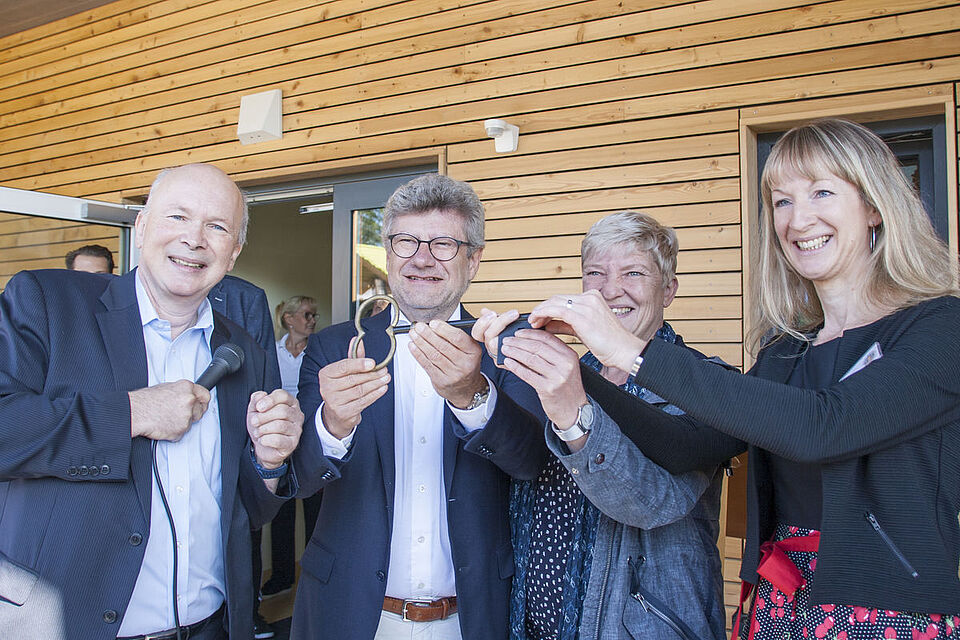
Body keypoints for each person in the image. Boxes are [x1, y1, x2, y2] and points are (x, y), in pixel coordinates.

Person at [495, 119, 960, 638]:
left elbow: (824, 427)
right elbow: (686, 446)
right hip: (778, 607)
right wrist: (564, 366)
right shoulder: (786, 352)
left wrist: (629, 350)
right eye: (781, 201)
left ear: (875, 207)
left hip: (891, 614)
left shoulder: (940, 328)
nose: (798, 219)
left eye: (821, 192)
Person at [0, 163, 304, 640]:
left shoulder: (248, 354)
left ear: (234, 252)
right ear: (141, 227)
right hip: (68, 626)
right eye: (178, 217)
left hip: (211, 627)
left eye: (217, 227)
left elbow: (246, 512)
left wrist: (269, 464)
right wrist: (132, 413)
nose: (195, 239)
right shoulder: (47, 302)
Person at [289, 173, 547, 640]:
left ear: (474, 261)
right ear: (388, 254)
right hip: (347, 612)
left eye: (444, 244)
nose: (422, 258)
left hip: (471, 616)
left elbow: (531, 464)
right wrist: (333, 424)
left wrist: (475, 396)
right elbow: (300, 480)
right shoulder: (332, 346)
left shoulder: (507, 345)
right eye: (406, 242)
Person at [472, 211, 729, 640]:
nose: (612, 290)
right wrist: (471, 387)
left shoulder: (706, 383)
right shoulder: (555, 369)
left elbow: (651, 502)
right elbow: (521, 467)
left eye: (634, 272)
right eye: (596, 273)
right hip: (530, 621)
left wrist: (574, 410)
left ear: (668, 290)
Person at [208, 274, 284, 640]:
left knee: (244, 534)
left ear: (235, 248)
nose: (194, 239)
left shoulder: (245, 298)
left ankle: (247, 611)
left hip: (236, 444)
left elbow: (263, 376)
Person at [259, 296, 321, 599]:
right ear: (289, 318)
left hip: (312, 438)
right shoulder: (270, 351)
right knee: (280, 512)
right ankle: (282, 576)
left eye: (314, 315)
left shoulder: (320, 350)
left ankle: (312, 576)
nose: (312, 320)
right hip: (280, 440)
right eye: (307, 315)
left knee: (316, 511)